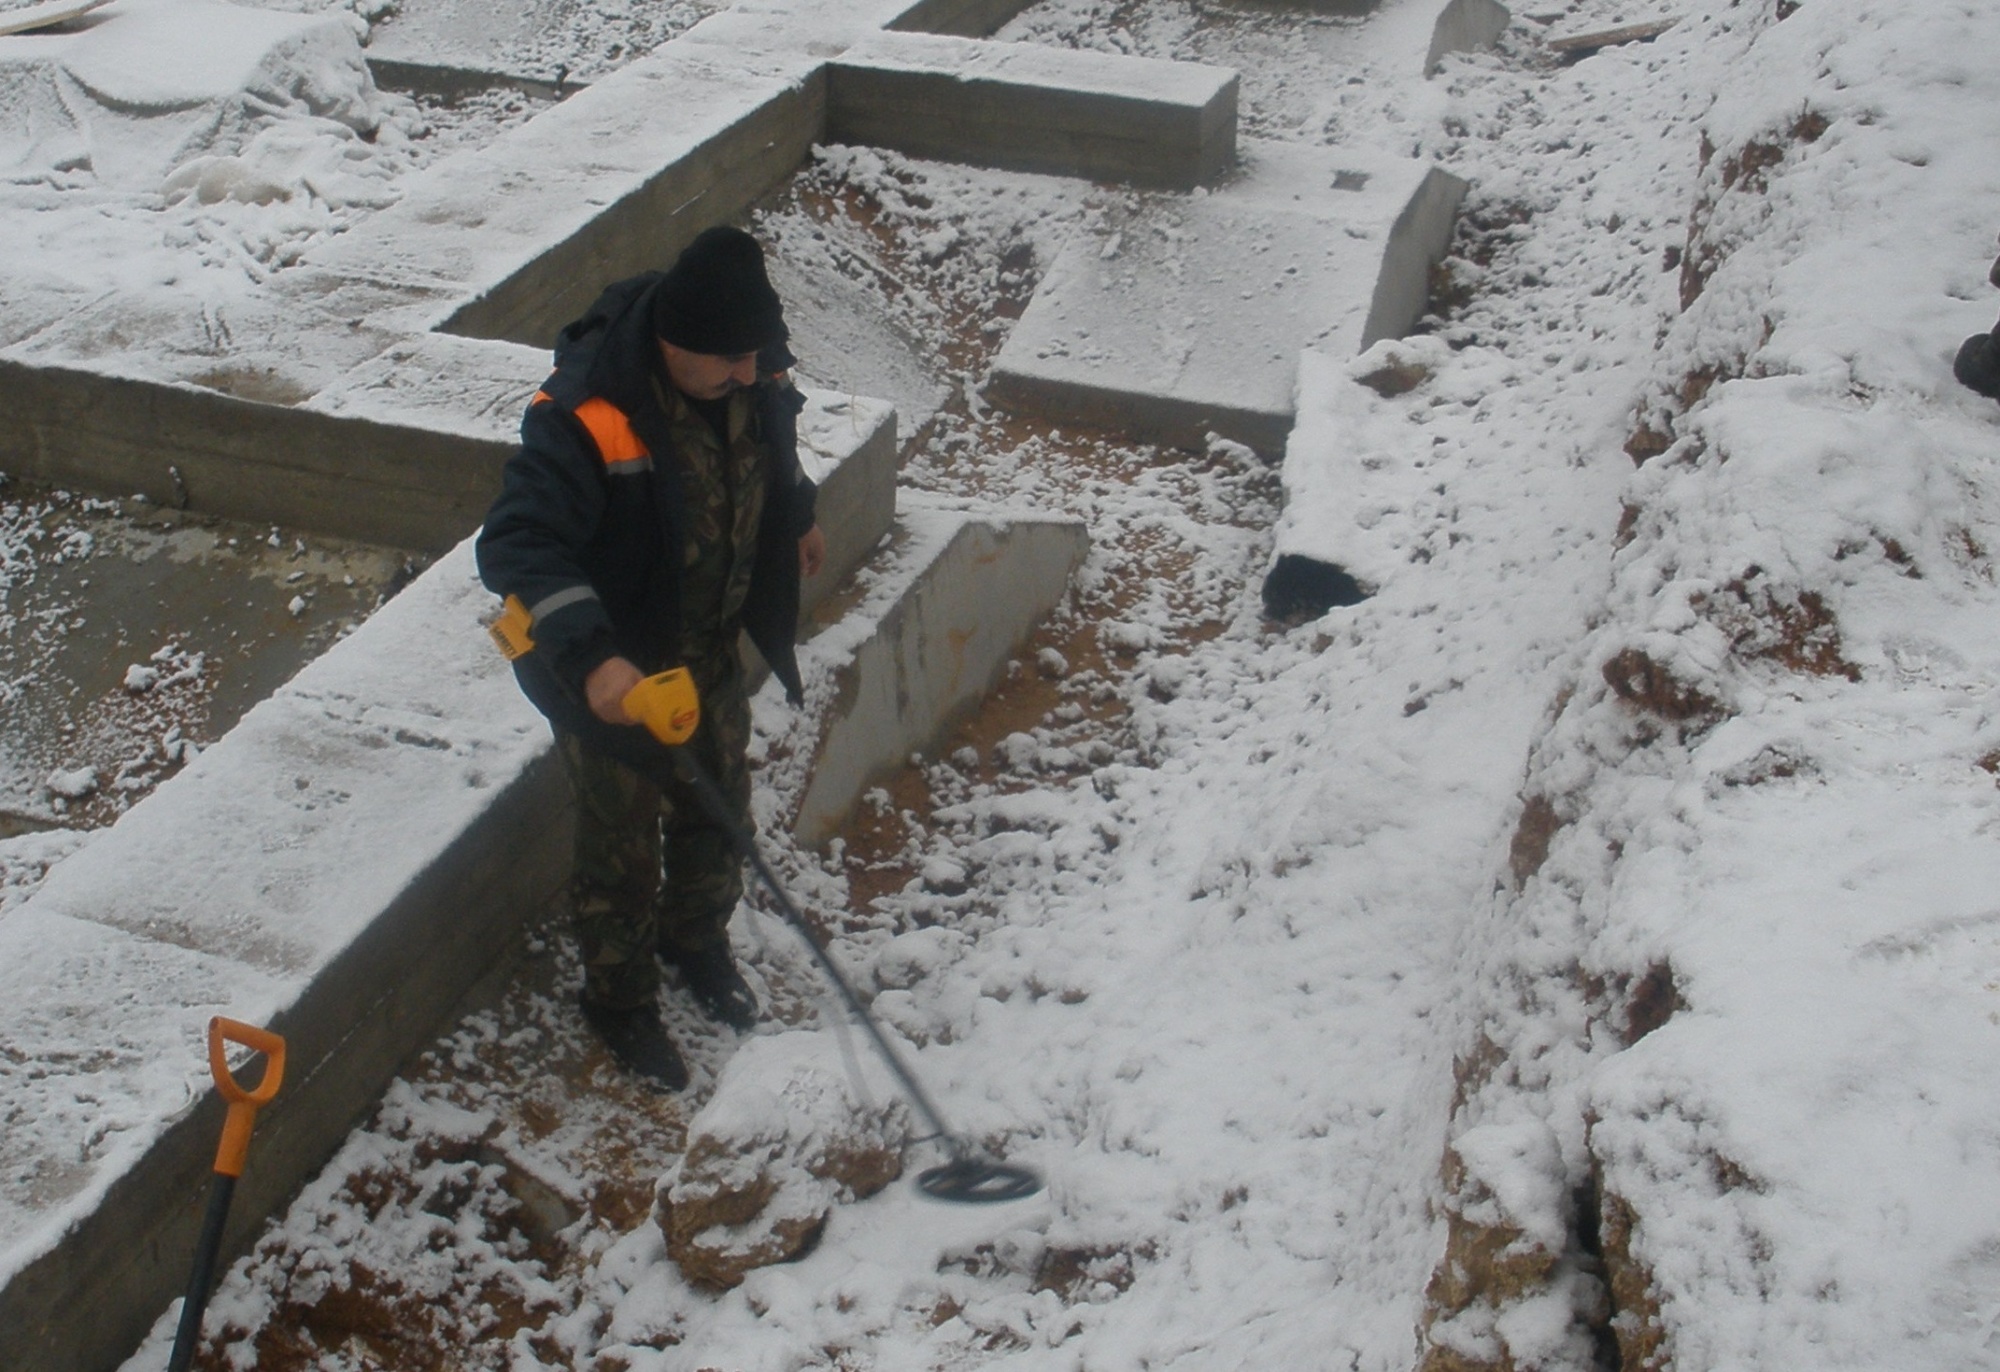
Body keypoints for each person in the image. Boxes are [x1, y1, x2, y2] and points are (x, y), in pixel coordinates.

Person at [476, 226, 826, 1089]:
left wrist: (800, 512)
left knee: (719, 808)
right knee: (622, 846)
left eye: (755, 356)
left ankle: (695, 943)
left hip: (704, 651)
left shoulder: (750, 363)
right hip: (617, 677)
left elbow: (774, 449)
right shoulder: (588, 413)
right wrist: (594, 660)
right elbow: (517, 542)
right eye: (730, 359)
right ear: (675, 343)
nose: (750, 373)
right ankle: (620, 999)